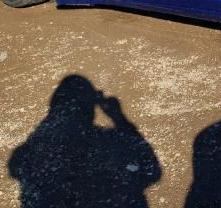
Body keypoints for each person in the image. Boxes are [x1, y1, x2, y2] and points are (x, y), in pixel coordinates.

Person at [9, 75, 161, 207]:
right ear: (89, 108)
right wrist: (118, 117)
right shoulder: (109, 140)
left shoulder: (28, 151)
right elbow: (153, 170)